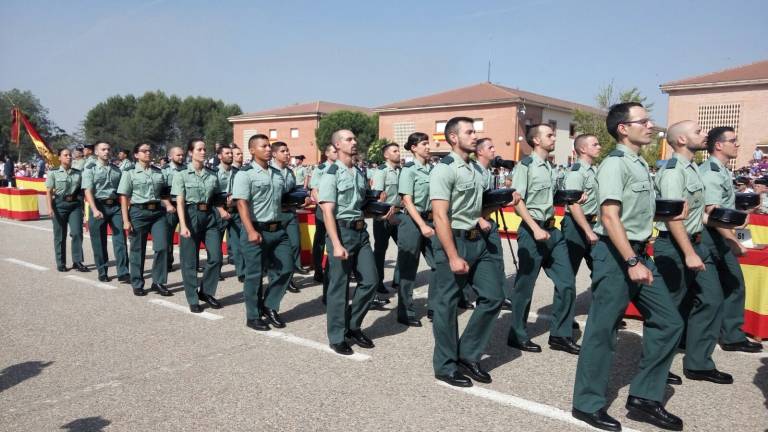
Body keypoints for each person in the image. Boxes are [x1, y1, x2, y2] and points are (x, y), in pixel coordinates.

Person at [572, 102, 684, 432]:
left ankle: (644, 398)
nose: (651, 126)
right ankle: (587, 403)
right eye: (643, 121)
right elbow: (609, 217)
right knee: (602, 331)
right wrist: (632, 261)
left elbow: (635, 213)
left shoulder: (638, 164)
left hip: (638, 252)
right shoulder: (614, 165)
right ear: (624, 128)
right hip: (617, 256)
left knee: (668, 321)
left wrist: (666, 214)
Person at [654, 120, 734, 385]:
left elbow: (702, 212)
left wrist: (731, 220)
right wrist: (689, 253)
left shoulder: (693, 169)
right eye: (697, 131)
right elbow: (673, 218)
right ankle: (657, 367)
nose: (703, 135)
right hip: (676, 246)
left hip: (695, 242)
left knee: (711, 299)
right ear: (680, 140)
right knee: (669, 308)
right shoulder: (674, 171)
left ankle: (698, 363)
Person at [429, 117, 505, 387]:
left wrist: (501, 201)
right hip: (455, 241)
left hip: (478, 241)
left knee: (494, 296)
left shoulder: (475, 168)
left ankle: (468, 354)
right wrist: (452, 256)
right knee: (447, 305)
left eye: (475, 131)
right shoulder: (444, 169)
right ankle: (445, 365)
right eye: (470, 132)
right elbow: (439, 216)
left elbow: (477, 209)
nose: (476, 136)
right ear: (452, 137)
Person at [507, 124, 581, 355]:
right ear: (536, 140)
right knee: (525, 286)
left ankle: (560, 335)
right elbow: (518, 202)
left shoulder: (549, 167)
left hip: (552, 231)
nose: (553, 139)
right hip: (533, 232)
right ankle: (517, 334)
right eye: (549, 135)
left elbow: (551, 198)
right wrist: (534, 229)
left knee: (567, 283)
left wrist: (572, 197)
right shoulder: (526, 166)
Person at [700, 126, 763, 353]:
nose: (737, 144)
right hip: (712, 236)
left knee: (729, 285)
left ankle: (730, 334)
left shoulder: (723, 171)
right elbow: (713, 213)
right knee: (729, 285)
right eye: (733, 140)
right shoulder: (711, 172)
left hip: (717, 234)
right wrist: (733, 238)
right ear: (719, 145)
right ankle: (728, 336)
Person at [318, 129, 379, 355]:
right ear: (337, 145)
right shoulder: (330, 173)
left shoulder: (359, 172)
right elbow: (327, 212)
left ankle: (352, 325)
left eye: (355, 138)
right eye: (349, 139)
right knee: (339, 288)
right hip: (341, 233)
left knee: (371, 281)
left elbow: (361, 205)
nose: (354, 142)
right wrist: (336, 243)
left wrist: (380, 211)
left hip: (361, 233)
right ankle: (337, 335)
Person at [232, 134, 293, 331]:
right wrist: (250, 230)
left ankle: (269, 305)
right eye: (264, 146)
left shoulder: (276, 173)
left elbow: (280, 199)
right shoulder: (245, 174)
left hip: (278, 229)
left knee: (287, 268)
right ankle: (253, 316)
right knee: (254, 275)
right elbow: (241, 203)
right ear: (252, 150)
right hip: (256, 230)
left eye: (269, 146)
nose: (268, 149)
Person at [174, 139, 226, 313]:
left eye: (205, 149)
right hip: (190, 215)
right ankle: (192, 297)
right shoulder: (181, 174)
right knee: (189, 260)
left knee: (217, 257)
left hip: (210, 216)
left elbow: (218, 197)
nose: (203, 152)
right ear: (191, 152)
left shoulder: (212, 174)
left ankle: (206, 291)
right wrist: (183, 224)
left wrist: (221, 210)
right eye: (199, 149)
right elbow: (180, 201)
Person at [117, 143, 174, 297]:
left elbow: (164, 193)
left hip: (157, 213)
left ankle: (158, 282)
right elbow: (124, 197)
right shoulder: (129, 173)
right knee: (137, 249)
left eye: (149, 150)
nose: (148, 153)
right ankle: (137, 282)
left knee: (162, 247)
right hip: (138, 213)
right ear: (136, 155)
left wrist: (168, 204)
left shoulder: (158, 172)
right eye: (144, 151)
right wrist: (126, 220)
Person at [474, 138, 521, 310]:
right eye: (490, 147)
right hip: (475, 222)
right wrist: (479, 219)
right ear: (480, 152)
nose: (494, 150)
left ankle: (500, 295)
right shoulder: (474, 171)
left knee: (497, 258)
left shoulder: (488, 172)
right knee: (471, 262)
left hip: (489, 219)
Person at [395, 132, 435, 327]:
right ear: (414, 148)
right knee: (408, 268)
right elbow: (407, 201)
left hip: (431, 220)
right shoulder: (409, 170)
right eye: (424, 144)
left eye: (428, 143)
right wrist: (422, 225)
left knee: (439, 264)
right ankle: (405, 311)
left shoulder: (433, 169)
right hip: (412, 222)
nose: (428, 147)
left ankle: (435, 307)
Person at [82, 141, 129, 283]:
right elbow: (88, 191)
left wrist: (126, 210)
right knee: (99, 241)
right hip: (98, 206)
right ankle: (102, 271)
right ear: (96, 152)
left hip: (115, 207)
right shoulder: (90, 169)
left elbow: (123, 192)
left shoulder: (117, 170)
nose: (107, 151)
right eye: (103, 149)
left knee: (120, 240)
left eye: (108, 149)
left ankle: (123, 272)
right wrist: (94, 209)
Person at [271, 141, 310, 294]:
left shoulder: (289, 172)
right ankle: (277, 279)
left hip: (290, 213)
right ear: (274, 154)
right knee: (276, 249)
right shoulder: (270, 171)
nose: (287, 154)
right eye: (283, 151)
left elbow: (293, 191)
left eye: (288, 151)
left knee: (295, 244)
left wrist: (302, 199)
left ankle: (288, 278)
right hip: (276, 215)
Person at [561, 134, 601, 280]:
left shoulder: (593, 170)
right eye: (595, 144)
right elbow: (573, 205)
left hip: (593, 223)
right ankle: (565, 303)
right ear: (583, 149)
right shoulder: (577, 172)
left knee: (601, 270)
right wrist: (588, 231)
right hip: (576, 226)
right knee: (569, 273)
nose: (599, 147)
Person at [45, 148, 89, 273]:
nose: (69, 157)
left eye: (70, 155)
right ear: (59, 158)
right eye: (66, 155)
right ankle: (61, 262)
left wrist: (82, 208)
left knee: (77, 233)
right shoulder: (53, 173)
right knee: (60, 235)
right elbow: (48, 192)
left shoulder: (77, 173)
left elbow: (82, 191)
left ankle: (77, 261)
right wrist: (49, 208)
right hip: (59, 204)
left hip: (74, 205)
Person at [371, 142, 402, 302]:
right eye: (394, 151)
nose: (398, 153)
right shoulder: (381, 172)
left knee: (405, 247)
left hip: (399, 215)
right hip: (384, 217)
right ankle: (378, 283)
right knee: (380, 251)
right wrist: (385, 215)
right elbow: (377, 198)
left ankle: (399, 279)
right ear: (386, 155)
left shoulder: (400, 171)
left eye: (398, 150)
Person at [309, 145, 338, 284]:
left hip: (338, 210)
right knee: (320, 240)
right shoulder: (320, 169)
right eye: (334, 151)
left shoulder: (341, 167)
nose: (337, 153)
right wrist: (324, 206)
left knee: (337, 238)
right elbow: (314, 190)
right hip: (323, 208)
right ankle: (318, 270)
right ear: (327, 153)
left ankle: (333, 269)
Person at [216, 145, 244, 282]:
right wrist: (221, 209)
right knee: (215, 244)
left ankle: (241, 272)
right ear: (219, 156)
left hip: (235, 212)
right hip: (219, 212)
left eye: (231, 153)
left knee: (238, 243)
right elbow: (209, 195)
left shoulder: (238, 172)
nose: (230, 155)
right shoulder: (213, 173)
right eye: (227, 153)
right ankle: (216, 271)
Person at [162, 147, 185, 270]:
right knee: (168, 235)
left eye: (182, 155)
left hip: (184, 205)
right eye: (178, 155)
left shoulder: (187, 169)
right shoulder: (164, 171)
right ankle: (167, 262)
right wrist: (167, 205)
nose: (181, 157)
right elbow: (160, 190)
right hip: (171, 206)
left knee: (187, 235)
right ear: (171, 156)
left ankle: (189, 263)